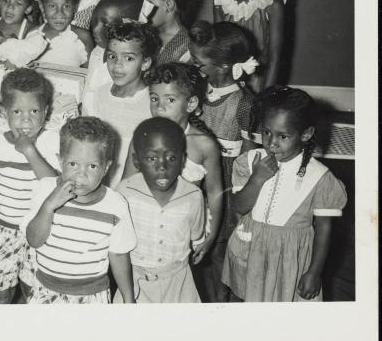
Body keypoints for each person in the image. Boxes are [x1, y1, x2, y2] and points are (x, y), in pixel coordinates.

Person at [223, 87, 347, 302]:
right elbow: (239, 207)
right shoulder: (249, 162)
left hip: (290, 261)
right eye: (266, 132)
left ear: (305, 134)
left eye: (283, 136)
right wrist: (257, 179)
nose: (271, 143)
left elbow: (324, 229)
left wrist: (314, 272)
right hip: (250, 252)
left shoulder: (320, 178)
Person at [121, 63, 224, 297]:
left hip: (181, 231)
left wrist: (211, 235)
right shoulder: (142, 136)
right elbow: (125, 185)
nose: (159, 107)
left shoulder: (203, 145)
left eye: (170, 100)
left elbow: (216, 192)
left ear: (191, 104)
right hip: (143, 227)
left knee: (174, 285)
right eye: (154, 98)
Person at [23, 116, 137, 304]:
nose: (81, 174)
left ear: (106, 167)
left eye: (92, 166)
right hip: (45, 289)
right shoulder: (45, 190)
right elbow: (34, 240)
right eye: (73, 164)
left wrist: (129, 298)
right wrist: (49, 205)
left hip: (92, 295)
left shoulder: (116, 205)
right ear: (60, 161)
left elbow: (118, 254)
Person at [0, 69, 60, 303]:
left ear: (46, 112)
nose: (26, 120)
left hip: (39, 232)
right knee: (0, 292)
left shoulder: (51, 142)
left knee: (35, 291)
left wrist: (30, 151)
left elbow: (54, 187)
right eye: (17, 112)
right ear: (3, 113)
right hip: (0, 230)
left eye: (34, 111)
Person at [189, 20, 259, 301]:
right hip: (196, 172)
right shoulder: (198, 90)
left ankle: (221, 300)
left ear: (223, 66)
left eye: (199, 63)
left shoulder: (243, 102)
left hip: (227, 181)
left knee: (219, 245)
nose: (195, 67)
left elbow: (251, 154)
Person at [116, 117, 205, 303]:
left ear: (182, 160)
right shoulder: (125, 193)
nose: (162, 167)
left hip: (179, 284)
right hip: (135, 284)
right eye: (152, 158)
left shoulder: (193, 196)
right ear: (136, 161)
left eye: (171, 158)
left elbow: (196, 238)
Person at [83, 20, 160, 186]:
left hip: (133, 186)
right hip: (98, 182)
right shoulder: (100, 93)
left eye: (128, 58)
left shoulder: (151, 103)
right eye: (112, 56)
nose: (117, 65)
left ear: (145, 63)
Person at [81, 0, 147, 110]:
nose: (95, 29)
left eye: (106, 24)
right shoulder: (97, 51)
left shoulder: (127, 69)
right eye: (94, 20)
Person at [27, 0, 94, 68]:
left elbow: (90, 74)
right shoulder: (32, 34)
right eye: (52, 6)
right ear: (42, 6)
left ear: (75, 7)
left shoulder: (83, 37)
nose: (59, 13)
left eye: (66, 6)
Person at [142, 0, 192, 65]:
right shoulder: (145, 33)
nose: (142, 8)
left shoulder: (188, 48)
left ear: (169, 5)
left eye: (148, 2)